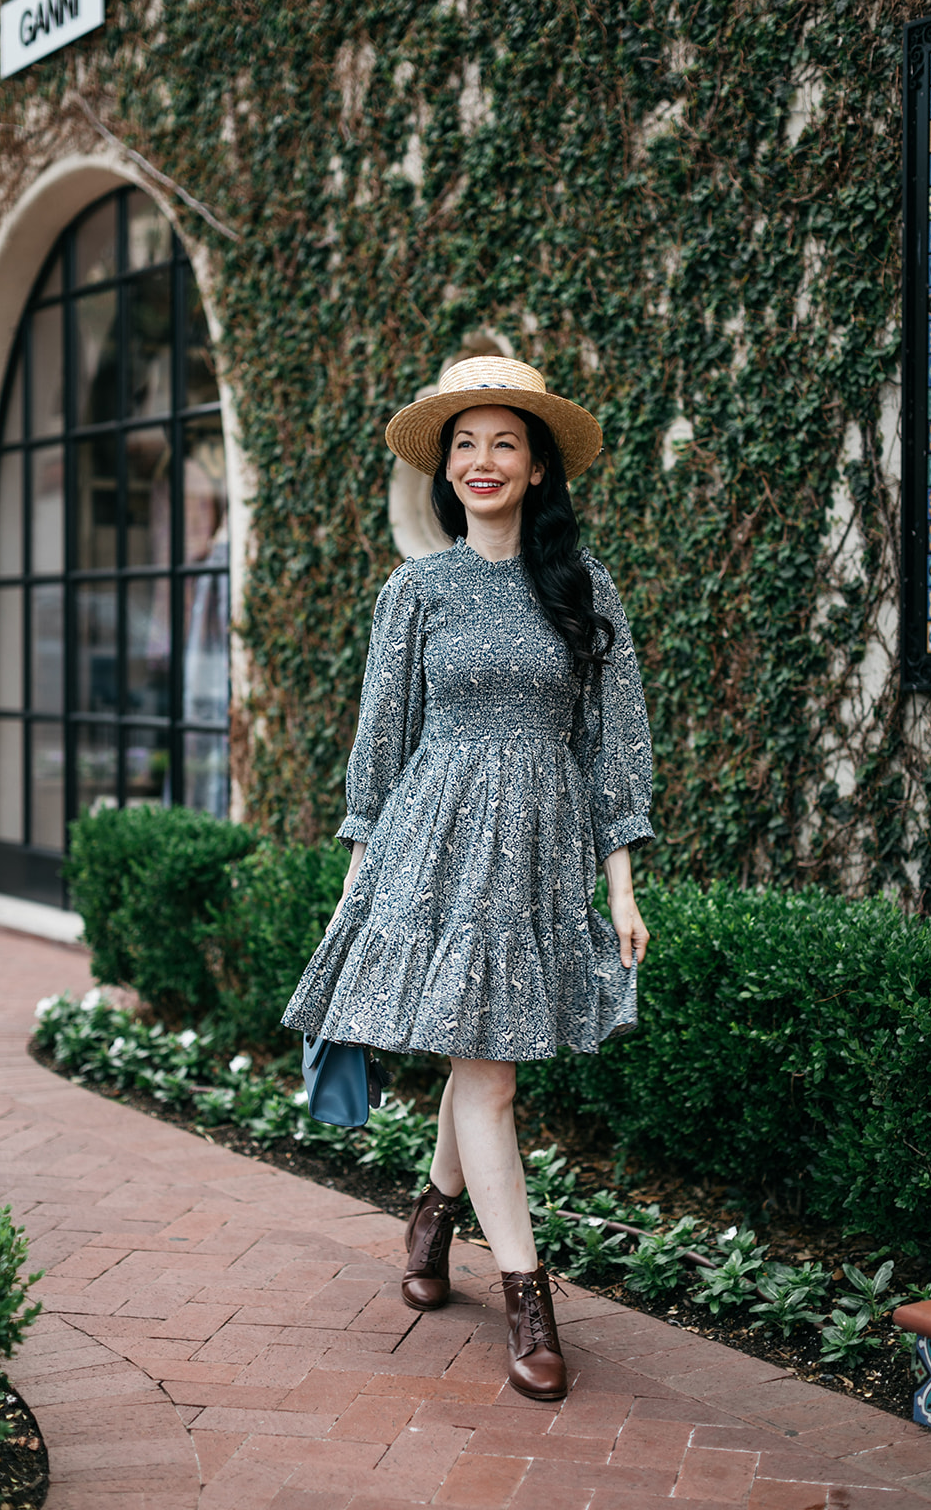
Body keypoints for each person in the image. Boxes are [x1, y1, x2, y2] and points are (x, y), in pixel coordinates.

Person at [282, 355, 653, 1402]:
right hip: (431, 848)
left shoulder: (584, 586)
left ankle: (433, 1216)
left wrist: (619, 888)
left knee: (485, 1063)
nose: (480, 461)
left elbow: (609, 746)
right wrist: (355, 885)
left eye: (502, 442)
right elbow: (380, 742)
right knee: (486, 1071)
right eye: (464, 444)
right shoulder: (416, 588)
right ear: (445, 470)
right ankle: (528, 1297)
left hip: (537, 854)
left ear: (537, 467)